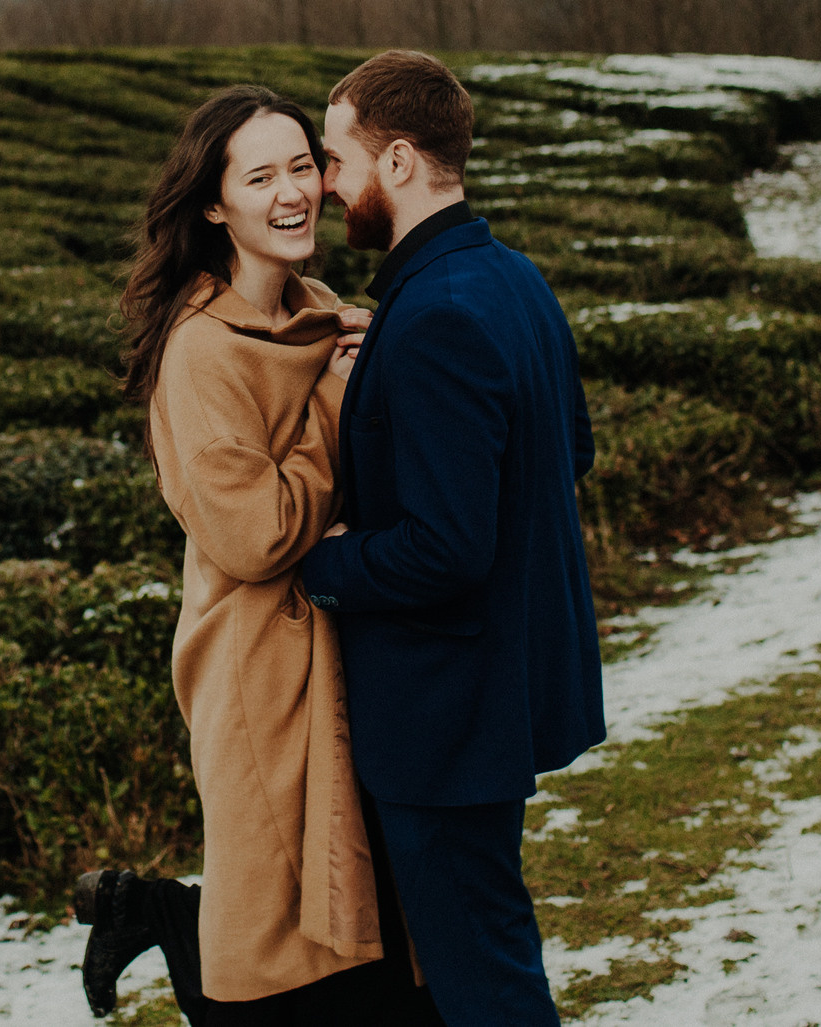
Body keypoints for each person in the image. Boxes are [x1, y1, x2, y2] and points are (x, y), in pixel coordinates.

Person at [75, 85, 433, 1024]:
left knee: (367, 936)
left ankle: (158, 912)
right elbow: (258, 532)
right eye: (260, 175)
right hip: (261, 677)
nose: (291, 192)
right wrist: (333, 403)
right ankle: (155, 912)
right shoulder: (200, 354)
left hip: (347, 654)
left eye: (303, 167)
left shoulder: (318, 311)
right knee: (283, 966)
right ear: (213, 203)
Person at [292, 50, 607, 1027]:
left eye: (336, 160)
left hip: (445, 714)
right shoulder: (509, 280)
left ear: (394, 164)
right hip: (493, 688)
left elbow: (446, 548)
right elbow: (571, 452)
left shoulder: (432, 315)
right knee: (481, 955)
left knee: (482, 980)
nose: (327, 186)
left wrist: (323, 558)